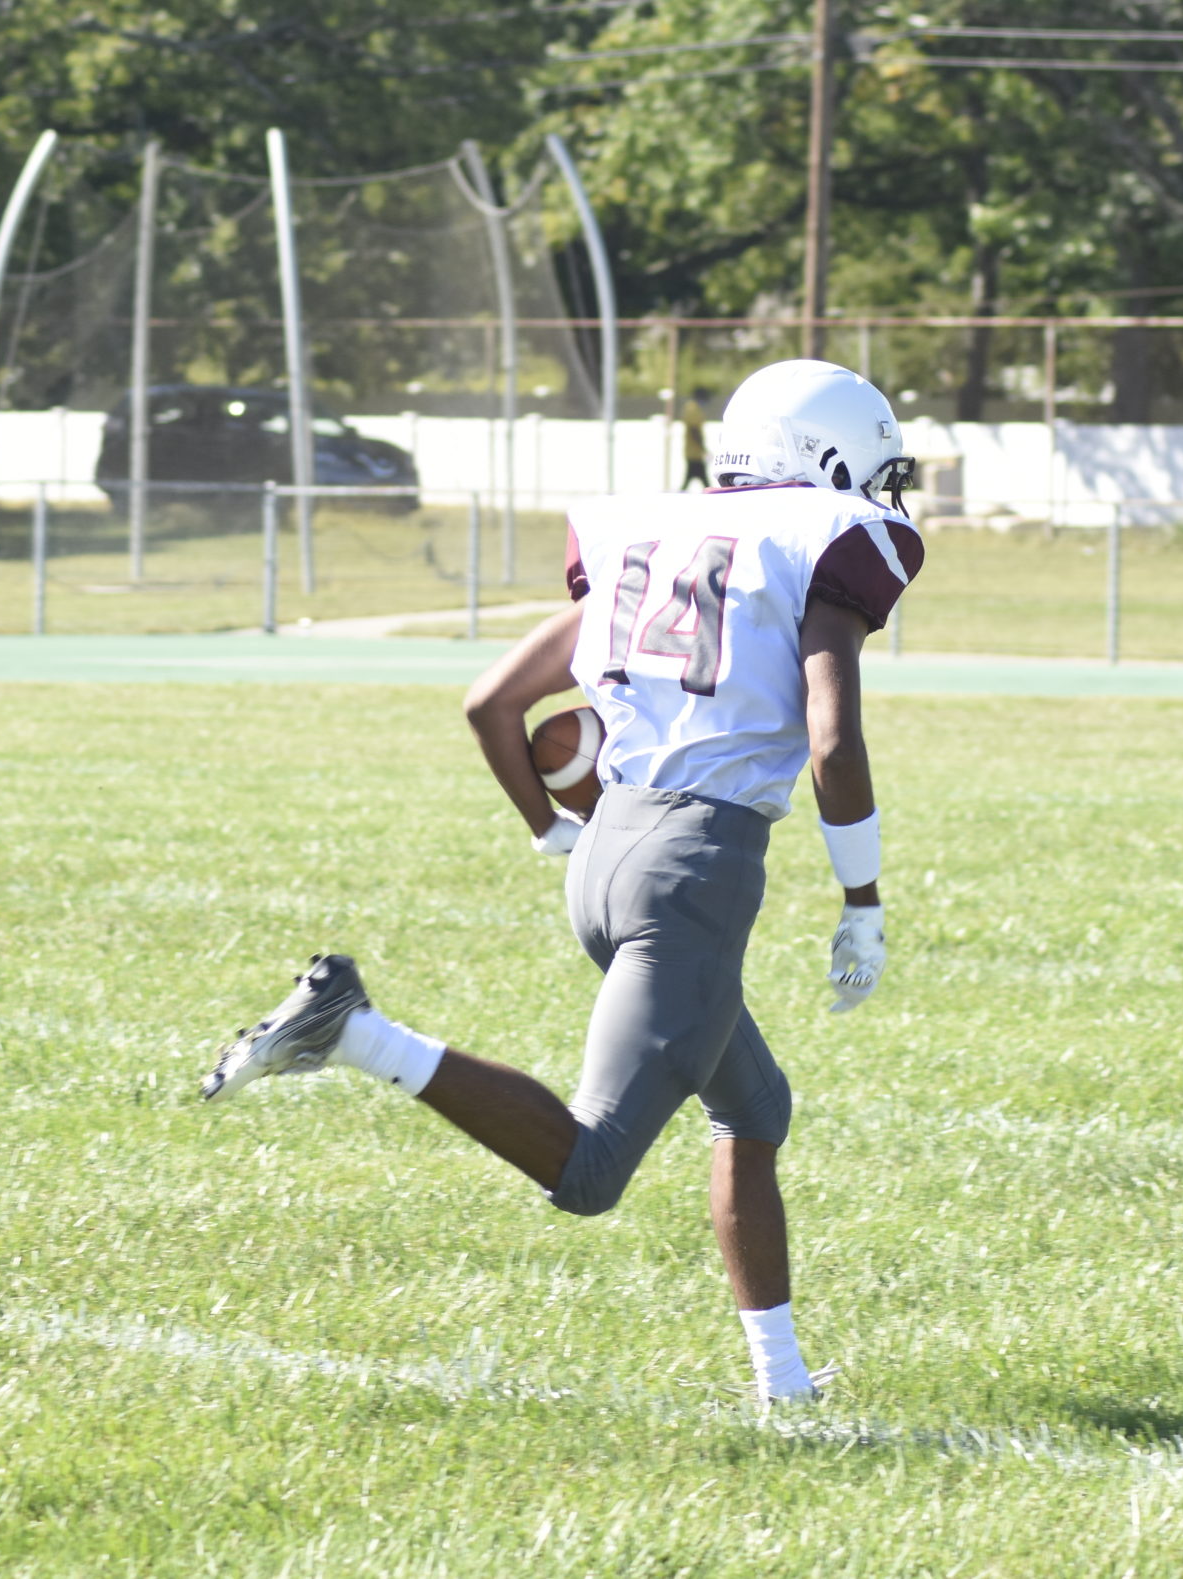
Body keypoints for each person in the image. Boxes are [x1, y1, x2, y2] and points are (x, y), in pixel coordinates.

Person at [202, 359, 921, 1407]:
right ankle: (354, 1032)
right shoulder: (820, 542)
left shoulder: (646, 529)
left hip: (608, 853)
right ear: (824, 455)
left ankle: (786, 1386)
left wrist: (554, 831)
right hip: (694, 873)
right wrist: (862, 900)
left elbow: (494, 703)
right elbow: (833, 741)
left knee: (756, 1107)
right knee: (589, 1172)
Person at [679, 385, 712, 489]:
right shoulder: (693, 408)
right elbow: (694, 429)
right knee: (702, 479)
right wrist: (702, 448)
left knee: (692, 478)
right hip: (694, 452)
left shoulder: (692, 407)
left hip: (693, 452)